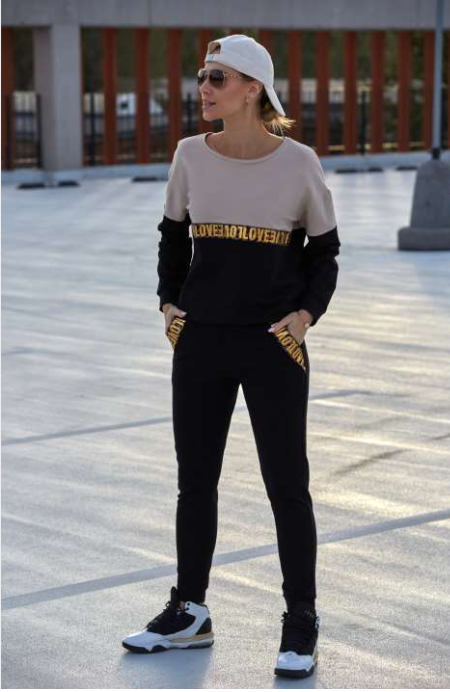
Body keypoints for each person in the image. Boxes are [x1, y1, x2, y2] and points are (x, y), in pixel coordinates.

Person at [122, 33, 341, 679]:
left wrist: (304, 317)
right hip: (201, 342)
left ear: (253, 90)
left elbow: (324, 253)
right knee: (195, 482)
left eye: (217, 78)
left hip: (273, 344)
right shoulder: (189, 154)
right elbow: (171, 239)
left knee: (286, 485)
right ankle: (189, 612)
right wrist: (169, 307)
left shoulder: (299, 163)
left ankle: (301, 619)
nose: (204, 88)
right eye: (202, 75)